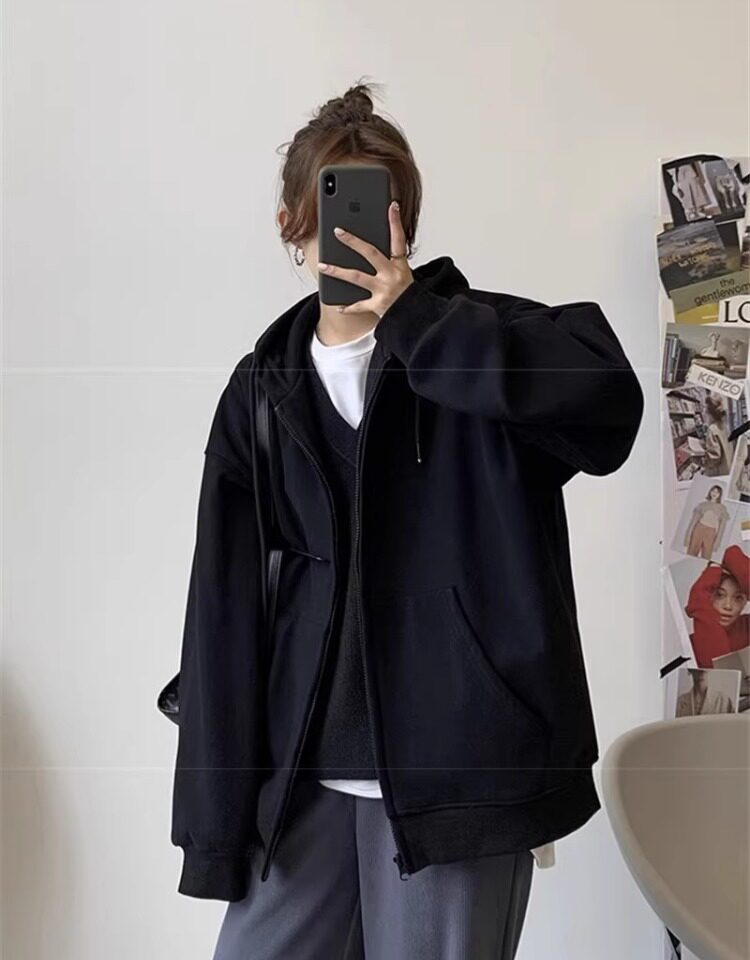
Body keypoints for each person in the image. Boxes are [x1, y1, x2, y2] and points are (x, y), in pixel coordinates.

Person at [168, 81, 644, 960]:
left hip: (461, 782)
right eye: (329, 211)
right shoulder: (263, 388)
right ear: (291, 225)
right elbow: (221, 613)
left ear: (406, 222)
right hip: (299, 783)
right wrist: (214, 825)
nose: (350, 234)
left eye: (376, 209)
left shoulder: (480, 338)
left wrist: (422, 324)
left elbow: (610, 407)